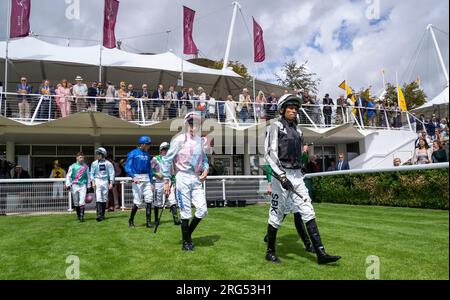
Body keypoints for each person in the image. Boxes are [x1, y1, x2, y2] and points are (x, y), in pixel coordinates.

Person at [264, 93, 340, 264]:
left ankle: (321, 253)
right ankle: (270, 251)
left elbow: (299, 157)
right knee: (277, 213)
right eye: (290, 108)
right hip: (280, 175)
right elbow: (269, 154)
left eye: (296, 108)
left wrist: (303, 159)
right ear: (282, 110)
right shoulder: (274, 127)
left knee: (308, 210)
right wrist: (281, 176)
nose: (294, 111)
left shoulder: (298, 131)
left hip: (297, 176)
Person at [161, 112, 209, 251]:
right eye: (191, 123)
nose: (194, 126)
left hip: (196, 178)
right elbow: (166, 160)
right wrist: (166, 181)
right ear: (186, 124)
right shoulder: (179, 140)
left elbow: (205, 160)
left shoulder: (201, 141)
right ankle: (186, 243)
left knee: (202, 209)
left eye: (197, 124)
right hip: (182, 177)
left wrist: (205, 171)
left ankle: (187, 235)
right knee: (186, 211)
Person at [125, 136, 155, 228]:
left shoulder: (147, 155)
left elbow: (150, 169)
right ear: (143, 144)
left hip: (146, 179)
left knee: (149, 199)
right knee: (137, 202)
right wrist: (133, 177)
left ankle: (148, 222)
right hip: (137, 178)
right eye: (148, 144)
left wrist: (151, 182)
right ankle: (131, 220)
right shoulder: (133, 153)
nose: (149, 146)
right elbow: (127, 167)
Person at [152, 142, 181, 226]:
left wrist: (174, 182)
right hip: (159, 182)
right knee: (157, 202)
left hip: (169, 181)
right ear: (160, 150)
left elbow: (173, 172)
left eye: (167, 150)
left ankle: (176, 219)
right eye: (164, 149)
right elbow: (150, 170)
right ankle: (156, 219)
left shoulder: (171, 160)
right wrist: (156, 174)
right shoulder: (155, 159)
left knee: (172, 200)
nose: (166, 151)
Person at [65, 152, 91, 222]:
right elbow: (68, 176)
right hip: (74, 185)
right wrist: (68, 184)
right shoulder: (72, 166)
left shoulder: (86, 167)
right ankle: (78, 215)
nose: (82, 159)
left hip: (83, 185)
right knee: (76, 202)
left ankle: (82, 216)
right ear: (77, 158)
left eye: (83, 158)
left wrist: (89, 186)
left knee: (82, 201)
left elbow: (88, 176)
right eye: (80, 157)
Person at [90, 147, 115, 222]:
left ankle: (103, 215)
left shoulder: (108, 164)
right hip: (97, 180)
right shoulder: (94, 163)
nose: (97, 155)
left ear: (103, 155)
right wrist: (93, 182)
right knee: (98, 197)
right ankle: (99, 215)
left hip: (105, 181)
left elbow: (111, 174)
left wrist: (111, 183)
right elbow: (92, 173)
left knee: (104, 198)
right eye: (97, 154)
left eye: (99, 154)